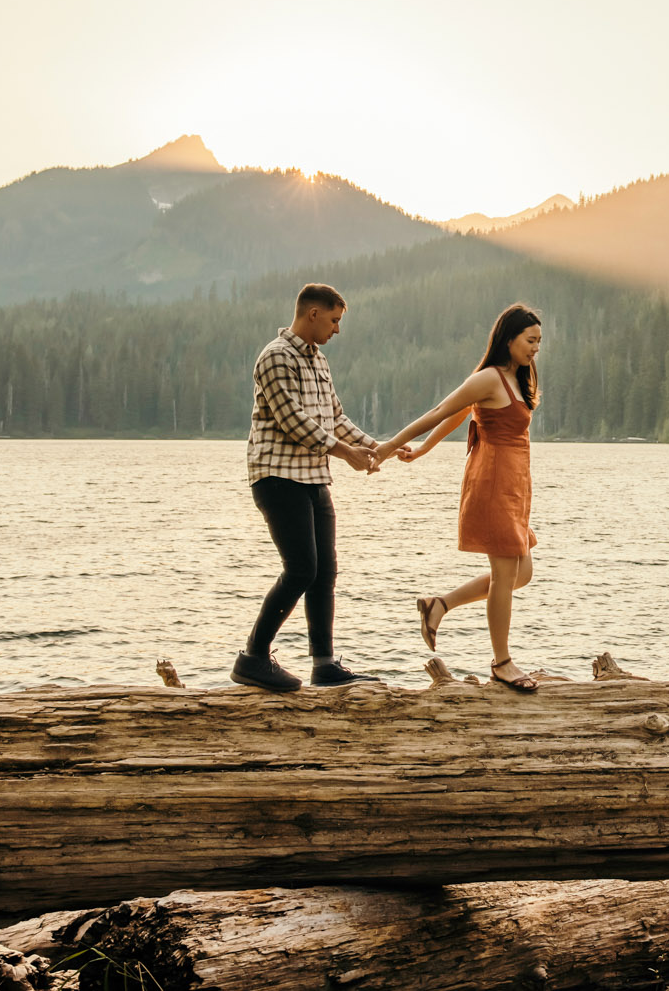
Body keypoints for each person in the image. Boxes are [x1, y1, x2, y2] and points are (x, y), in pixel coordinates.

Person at [374, 304, 543, 693]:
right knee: (504, 576)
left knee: (522, 575)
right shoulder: (488, 377)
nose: (536, 349)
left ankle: (440, 604)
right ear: (509, 339)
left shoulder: (516, 378)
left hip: (515, 485)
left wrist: (424, 451)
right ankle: (502, 663)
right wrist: (392, 447)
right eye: (530, 340)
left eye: (539, 342)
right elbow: (442, 410)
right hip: (494, 483)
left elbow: (461, 415)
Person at [232, 282, 384, 692]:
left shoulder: (319, 361)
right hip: (277, 477)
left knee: (325, 572)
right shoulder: (275, 357)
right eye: (334, 320)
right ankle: (252, 658)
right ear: (312, 314)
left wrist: (377, 446)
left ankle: (324, 665)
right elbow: (293, 421)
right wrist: (345, 453)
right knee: (301, 569)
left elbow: (334, 417)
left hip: (313, 477)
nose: (337, 330)